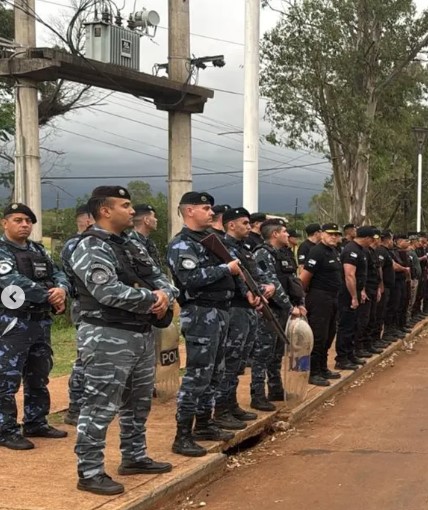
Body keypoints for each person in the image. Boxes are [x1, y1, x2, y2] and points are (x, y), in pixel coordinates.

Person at [71, 186, 176, 496]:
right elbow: (107, 292)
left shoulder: (131, 245)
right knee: (100, 405)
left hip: (140, 334)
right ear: (105, 210)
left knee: (138, 402)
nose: (133, 211)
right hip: (106, 334)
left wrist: (164, 295)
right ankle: (89, 471)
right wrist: (152, 298)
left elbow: (163, 281)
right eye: (126, 205)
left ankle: (134, 457)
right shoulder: (88, 246)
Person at [167, 191, 239, 458]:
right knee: (197, 374)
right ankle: (182, 434)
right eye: (206, 208)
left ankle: (205, 424)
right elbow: (190, 279)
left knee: (214, 373)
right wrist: (225, 270)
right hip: (200, 312)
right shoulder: (182, 244)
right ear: (189, 211)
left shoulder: (211, 240)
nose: (212, 213)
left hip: (220, 310)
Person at [0, 203, 70, 450]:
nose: (24, 225)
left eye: (28, 221)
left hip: (40, 322)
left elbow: (60, 274)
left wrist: (61, 289)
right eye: (18, 220)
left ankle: (36, 421)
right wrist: (48, 295)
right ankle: (5, 429)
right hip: (12, 323)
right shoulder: (2, 251)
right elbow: (10, 281)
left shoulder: (39, 250)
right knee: (6, 379)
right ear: (4, 223)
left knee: (39, 374)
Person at [214, 207, 275, 430]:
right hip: (235, 309)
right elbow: (234, 279)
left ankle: (231, 404)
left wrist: (265, 288)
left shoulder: (244, 248)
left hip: (249, 309)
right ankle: (221, 409)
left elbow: (253, 275)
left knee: (239, 361)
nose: (249, 227)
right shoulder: (223, 247)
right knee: (229, 361)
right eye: (245, 223)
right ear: (231, 225)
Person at [252, 219, 301, 411]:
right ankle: (257, 394)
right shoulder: (262, 253)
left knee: (277, 352)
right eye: (284, 232)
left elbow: (292, 281)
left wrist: (298, 303)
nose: (288, 235)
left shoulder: (282, 254)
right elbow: (271, 282)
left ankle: (275, 388)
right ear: (275, 234)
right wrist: (290, 307)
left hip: (282, 309)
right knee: (263, 353)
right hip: (269, 310)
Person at [61, 204, 94, 426]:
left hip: (91, 305)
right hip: (84, 305)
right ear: (88, 219)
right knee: (85, 357)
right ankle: (75, 407)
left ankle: (88, 405)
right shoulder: (77, 244)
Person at [300, 223, 343, 386]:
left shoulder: (334, 251)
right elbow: (304, 277)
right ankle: (313, 372)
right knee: (318, 335)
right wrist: (301, 298)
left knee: (330, 333)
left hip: (333, 297)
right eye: (330, 234)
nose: (334, 237)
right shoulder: (317, 251)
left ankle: (323, 367)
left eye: (336, 234)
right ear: (322, 234)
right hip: (319, 298)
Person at [335, 226, 376, 370]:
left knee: (354, 325)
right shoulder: (350, 250)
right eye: (371, 239)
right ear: (366, 238)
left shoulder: (362, 250)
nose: (372, 242)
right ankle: (341, 358)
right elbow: (349, 275)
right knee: (346, 326)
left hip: (357, 291)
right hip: (347, 293)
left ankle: (350, 354)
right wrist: (353, 296)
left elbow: (361, 275)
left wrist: (361, 291)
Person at [354, 229, 383, 358]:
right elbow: (361, 274)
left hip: (373, 287)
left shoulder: (373, 252)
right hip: (366, 288)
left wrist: (378, 288)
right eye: (373, 237)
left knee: (372, 318)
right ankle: (359, 347)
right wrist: (363, 290)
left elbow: (376, 271)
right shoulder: (363, 251)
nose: (375, 240)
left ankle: (368, 344)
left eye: (376, 238)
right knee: (363, 320)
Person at [129, 203, 162, 268]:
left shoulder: (149, 243)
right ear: (146, 220)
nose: (156, 220)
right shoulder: (131, 243)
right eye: (154, 217)